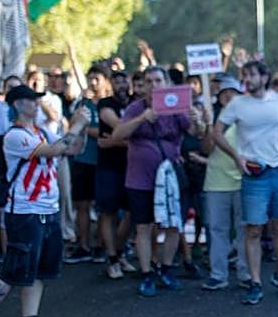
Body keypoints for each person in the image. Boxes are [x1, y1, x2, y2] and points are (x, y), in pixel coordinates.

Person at [0, 85, 90, 317]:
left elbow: (72, 148)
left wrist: (83, 125)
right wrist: (76, 125)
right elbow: (54, 151)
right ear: (19, 105)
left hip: (46, 210)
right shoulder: (14, 136)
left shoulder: (42, 131)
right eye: (32, 100)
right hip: (24, 212)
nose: (37, 104)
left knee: (39, 270)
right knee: (12, 271)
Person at [212, 59, 278, 305]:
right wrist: (237, 157)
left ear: (264, 77)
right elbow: (216, 132)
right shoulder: (237, 104)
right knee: (254, 229)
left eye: (251, 74)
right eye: (244, 75)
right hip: (254, 176)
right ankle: (255, 282)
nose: (247, 79)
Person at [110, 65, 194, 296]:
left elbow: (195, 131)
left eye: (158, 80)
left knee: (174, 225)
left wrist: (200, 118)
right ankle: (146, 273)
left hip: (171, 179)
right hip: (141, 180)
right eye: (148, 81)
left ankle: (165, 269)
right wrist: (141, 119)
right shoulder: (135, 108)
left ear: (166, 83)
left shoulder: (176, 106)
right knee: (143, 227)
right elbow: (118, 134)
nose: (153, 85)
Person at [200, 77, 252, 290]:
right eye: (224, 94)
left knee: (244, 231)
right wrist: (208, 125)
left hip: (243, 182)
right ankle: (218, 274)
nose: (229, 97)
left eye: (233, 93)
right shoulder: (215, 119)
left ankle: (246, 274)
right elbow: (206, 149)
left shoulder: (248, 120)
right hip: (216, 183)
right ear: (219, 98)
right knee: (218, 230)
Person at [93, 70, 134, 279]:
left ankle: (119, 252)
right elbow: (121, 127)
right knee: (108, 212)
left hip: (133, 167)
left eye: (124, 80)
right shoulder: (105, 104)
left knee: (131, 213)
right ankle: (111, 258)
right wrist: (129, 138)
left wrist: (113, 141)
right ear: (111, 84)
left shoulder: (137, 103)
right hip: (109, 167)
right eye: (117, 81)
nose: (121, 85)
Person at [67, 65, 110, 263]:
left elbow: (104, 131)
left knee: (102, 207)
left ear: (105, 81)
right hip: (82, 160)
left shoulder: (108, 105)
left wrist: (87, 128)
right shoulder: (82, 104)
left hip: (102, 161)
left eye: (97, 79)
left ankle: (101, 245)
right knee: (82, 205)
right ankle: (83, 245)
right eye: (90, 78)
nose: (93, 82)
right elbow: (73, 125)